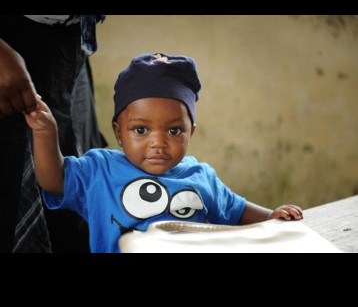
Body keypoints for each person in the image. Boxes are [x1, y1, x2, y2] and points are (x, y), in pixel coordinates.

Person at [24, 52, 303, 253]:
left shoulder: (200, 175)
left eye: (173, 131)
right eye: (141, 130)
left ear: (190, 132)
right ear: (119, 132)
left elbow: (238, 210)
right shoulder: (100, 169)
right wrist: (45, 133)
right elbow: (53, 180)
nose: (158, 143)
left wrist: (271, 216)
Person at [0, 15, 106, 253]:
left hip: (72, 47)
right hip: (12, 56)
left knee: (72, 220)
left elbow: (64, 185)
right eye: (141, 129)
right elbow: (54, 182)